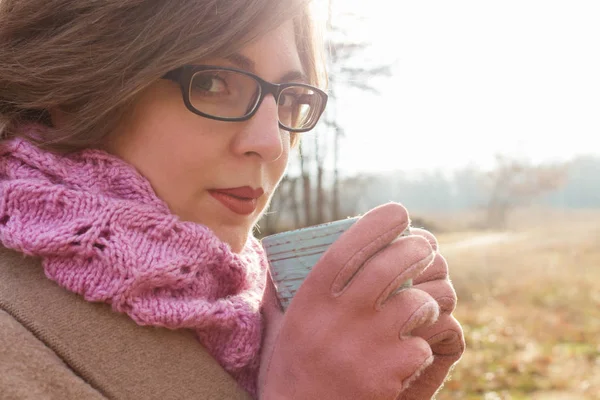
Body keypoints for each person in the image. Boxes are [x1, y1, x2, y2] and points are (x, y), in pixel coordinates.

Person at [0, 0, 465, 399]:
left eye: (288, 100)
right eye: (213, 83)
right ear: (80, 84)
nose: (272, 142)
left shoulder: (256, 303)